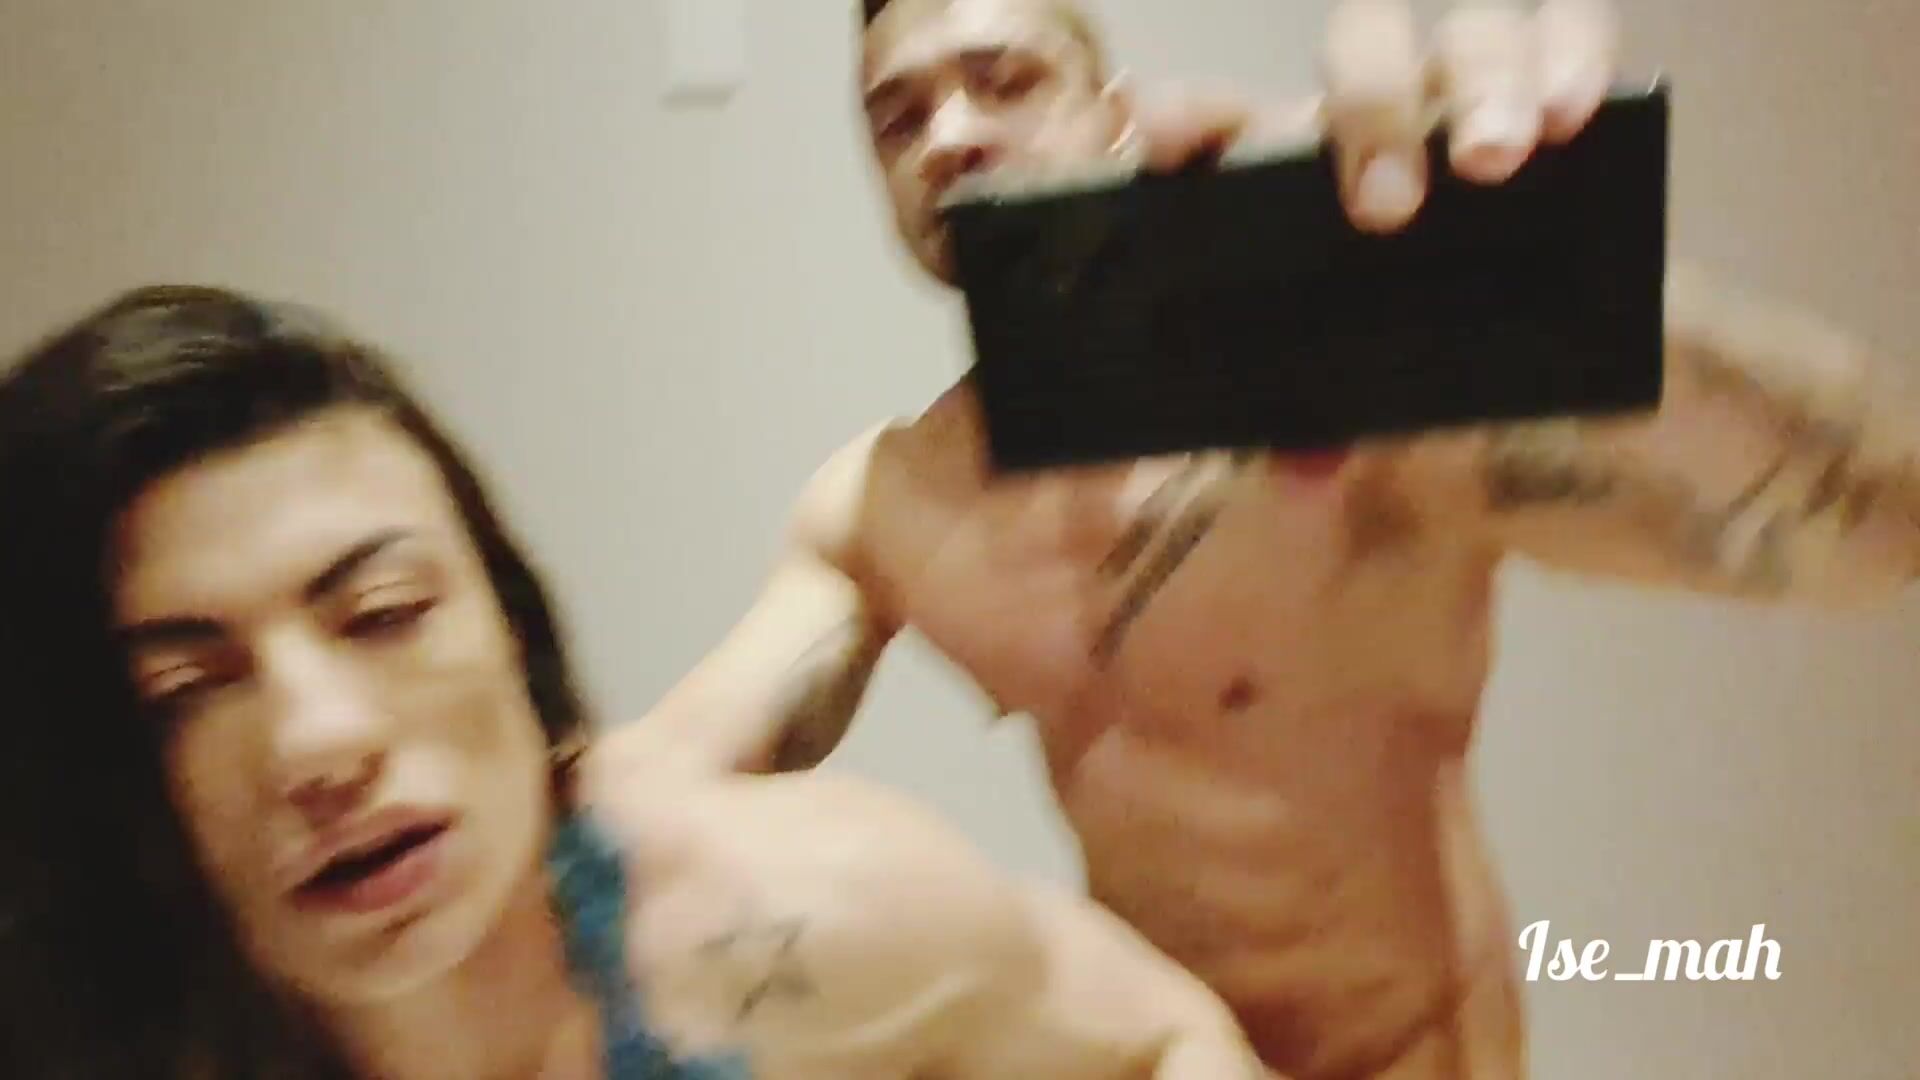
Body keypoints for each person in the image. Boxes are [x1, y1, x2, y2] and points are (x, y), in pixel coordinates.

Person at [623, 0, 1920, 1075]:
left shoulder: (1350, 420)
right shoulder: (889, 503)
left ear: (1112, 110)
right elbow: (661, 785)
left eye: (1003, 79)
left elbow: (1883, 527)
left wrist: (1552, 297)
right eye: (898, 116)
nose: (950, 133)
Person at [0, 285, 1274, 1080]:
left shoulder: (799, 915)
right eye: (184, 689)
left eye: (383, 614)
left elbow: (1156, 1039)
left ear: (516, 633)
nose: (319, 741)